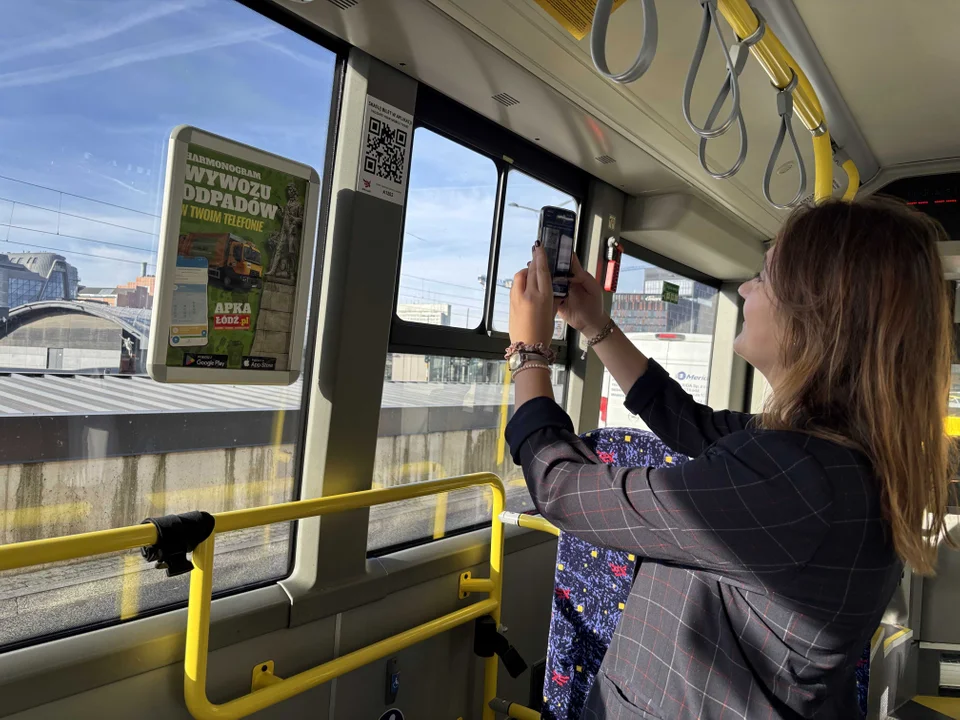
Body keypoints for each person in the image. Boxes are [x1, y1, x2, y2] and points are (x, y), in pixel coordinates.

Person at [504, 197, 956, 719]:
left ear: (818, 313)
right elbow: (687, 422)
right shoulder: (836, 455)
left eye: (764, 276)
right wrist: (595, 326)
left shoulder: (794, 483)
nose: (744, 288)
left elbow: (561, 487)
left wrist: (528, 352)